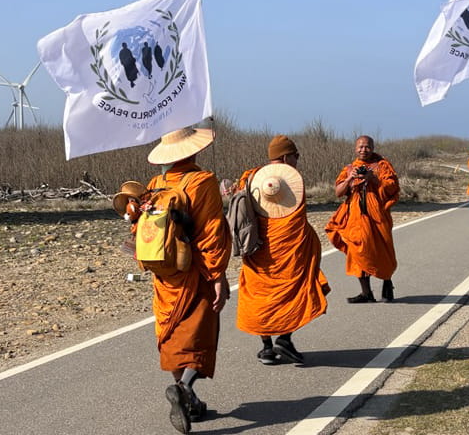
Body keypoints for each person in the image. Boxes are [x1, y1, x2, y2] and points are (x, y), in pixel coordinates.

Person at [145, 126, 231, 434]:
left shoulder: (156, 184)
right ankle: (183, 389)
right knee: (199, 336)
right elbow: (211, 233)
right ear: (193, 150)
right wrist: (218, 275)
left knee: (172, 337)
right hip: (195, 269)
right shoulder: (202, 181)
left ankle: (191, 402)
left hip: (165, 275)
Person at [232, 135, 329, 366]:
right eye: (296, 156)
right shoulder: (293, 183)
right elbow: (298, 221)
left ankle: (266, 348)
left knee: (259, 297)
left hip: (258, 251)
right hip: (289, 253)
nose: (297, 160)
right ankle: (284, 339)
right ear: (286, 156)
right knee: (297, 292)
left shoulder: (250, 178)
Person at [325, 135, 399, 303]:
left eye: (367, 147)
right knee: (357, 250)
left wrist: (373, 178)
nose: (363, 150)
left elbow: (392, 188)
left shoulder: (382, 166)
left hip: (378, 217)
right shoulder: (350, 168)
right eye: (360, 147)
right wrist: (351, 178)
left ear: (372, 148)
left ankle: (387, 281)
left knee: (381, 251)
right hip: (356, 218)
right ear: (355, 148)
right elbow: (338, 192)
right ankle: (366, 293)